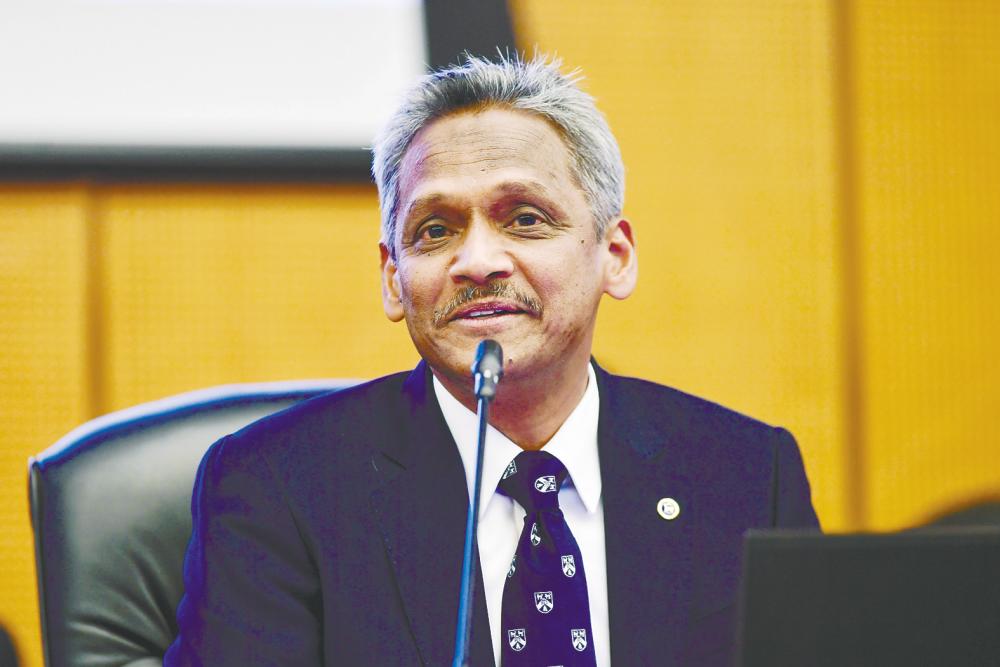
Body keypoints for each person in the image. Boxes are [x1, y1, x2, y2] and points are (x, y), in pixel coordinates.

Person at [165, 54, 819, 667]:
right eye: (436, 230)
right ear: (394, 278)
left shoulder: (744, 476)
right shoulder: (276, 488)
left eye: (526, 218)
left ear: (613, 256)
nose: (477, 261)